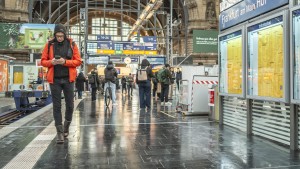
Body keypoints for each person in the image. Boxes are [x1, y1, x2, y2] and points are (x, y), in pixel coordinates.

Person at [41, 24, 81, 144]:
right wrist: (51, 62)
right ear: (54, 35)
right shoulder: (49, 45)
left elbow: (78, 61)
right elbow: (43, 61)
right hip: (55, 80)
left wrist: (65, 62)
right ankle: (59, 132)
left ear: (65, 35)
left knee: (70, 105)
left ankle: (66, 127)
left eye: (61, 36)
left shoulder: (72, 44)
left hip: (69, 80)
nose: (59, 38)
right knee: (57, 106)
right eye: (57, 36)